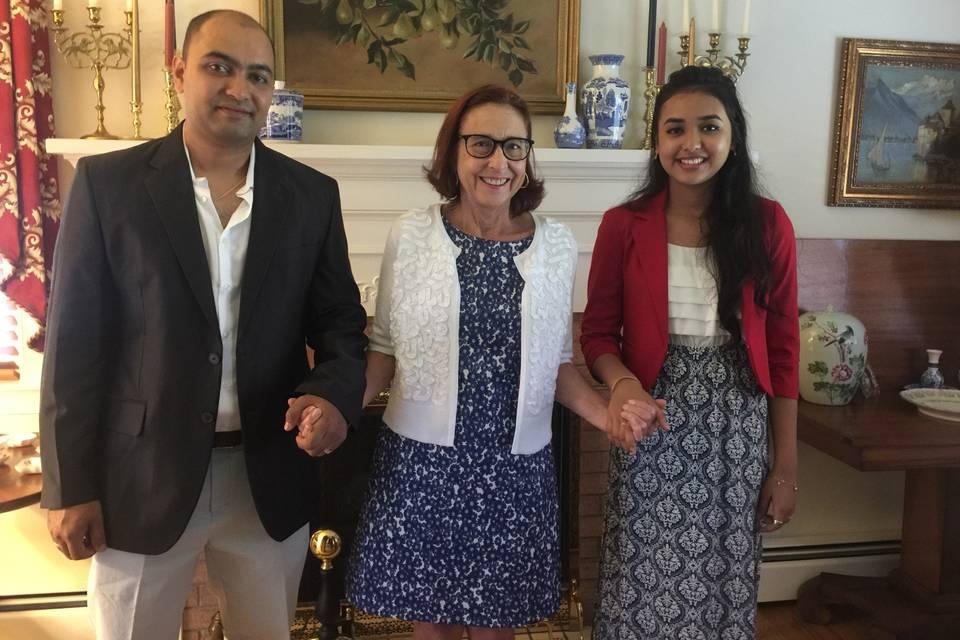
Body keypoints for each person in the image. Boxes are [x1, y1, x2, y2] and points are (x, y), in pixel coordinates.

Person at [38, 10, 367, 640]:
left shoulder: (312, 196)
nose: (239, 89)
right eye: (220, 67)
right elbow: (74, 346)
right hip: (137, 477)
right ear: (179, 71)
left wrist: (332, 395)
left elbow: (340, 323)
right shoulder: (109, 186)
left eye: (258, 76)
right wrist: (69, 486)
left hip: (267, 478)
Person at [340, 85, 658, 640]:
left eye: (514, 146)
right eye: (481, 143)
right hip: (423, 466)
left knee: (497, 630)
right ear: (453, 150)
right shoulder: (411, 234)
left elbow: (557, 364)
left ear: (527, 157)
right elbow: (384, 349)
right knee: (433, 628)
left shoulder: (557, 245)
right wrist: (339, 410)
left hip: (515, 470)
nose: (498, 162)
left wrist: (606, 413)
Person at [581, 65, 800, 640]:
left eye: (709, 126)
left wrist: (786, 467)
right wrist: (623, 384)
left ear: (733, 136)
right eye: (675, 129)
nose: (692, 143)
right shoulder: (622, 226)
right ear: (657, 142)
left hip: (737, 427)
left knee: (724, 582)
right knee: (641, 578)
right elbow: (597, 335)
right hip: (650, 418)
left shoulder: (768, 224)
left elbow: (783, 354)